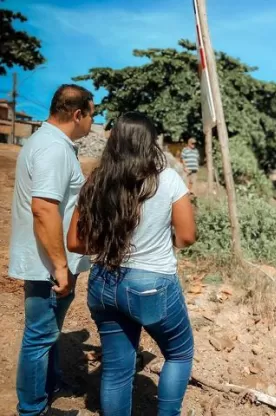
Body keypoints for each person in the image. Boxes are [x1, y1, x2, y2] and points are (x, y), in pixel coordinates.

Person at [67, 112, 196, 416]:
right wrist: (168, 243)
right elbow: (188, 236)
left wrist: (110, 242)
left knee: (116, 368)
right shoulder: (166, 179)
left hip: (103, 283)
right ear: (150, 143)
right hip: (151, 285)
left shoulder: (96, 180)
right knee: (179, 353)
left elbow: (75, 242)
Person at [8, 84, 94, 416]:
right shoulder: (53, 150)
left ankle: (51, 385)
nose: (92, 120)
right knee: (40, 335)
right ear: (78, 114)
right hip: (47, 263)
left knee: (48, 331)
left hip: (52, 260)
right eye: (92, 113)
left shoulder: (55, 145)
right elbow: (43, 208)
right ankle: (32, 409)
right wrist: (59, 265)